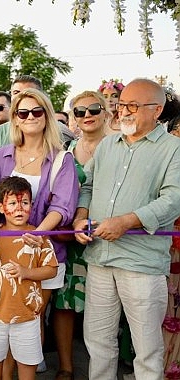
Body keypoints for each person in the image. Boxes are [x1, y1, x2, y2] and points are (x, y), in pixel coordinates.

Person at [72, 78, 180, 379]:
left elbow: (174, 200)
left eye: (132, 106)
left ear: (156, 110)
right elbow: (88, 186)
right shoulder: (108, 145)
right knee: (98, 343)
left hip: (141, 264)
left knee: (146, 350)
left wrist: (126, 221)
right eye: (121, 105)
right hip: (99, 258)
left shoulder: (174, 149)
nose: (123, 112)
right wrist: (81, 216)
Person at [0, 87, 79, 376]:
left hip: (43, 253)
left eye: (36, 111)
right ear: (15, 118)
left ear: (47, 116)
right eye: (22, 112)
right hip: (5, 252)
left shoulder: (62, 159)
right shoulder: (1, 157)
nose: (30, 117)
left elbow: (63, 206)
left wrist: (36, 235)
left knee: (31, 318)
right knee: (3, 320)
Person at [0, 176, 58, 380]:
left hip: (27, 316)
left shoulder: (38, 236)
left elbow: (51, 270)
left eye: (25, 203)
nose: (19, 209)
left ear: (32, 205)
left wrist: (26, 272)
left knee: (27, 365)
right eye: (12, 203)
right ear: (1, 207)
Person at [52, 90, 110, 380]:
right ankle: (66, 366)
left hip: (109, 235)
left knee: (104, 308)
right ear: (72, 117)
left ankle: (102, 369)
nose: (87, 115)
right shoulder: (66, 151)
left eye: (94, 109)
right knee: (65, 303)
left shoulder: (118, 146)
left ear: (106, 112)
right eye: (79, 111)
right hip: (69, 238)